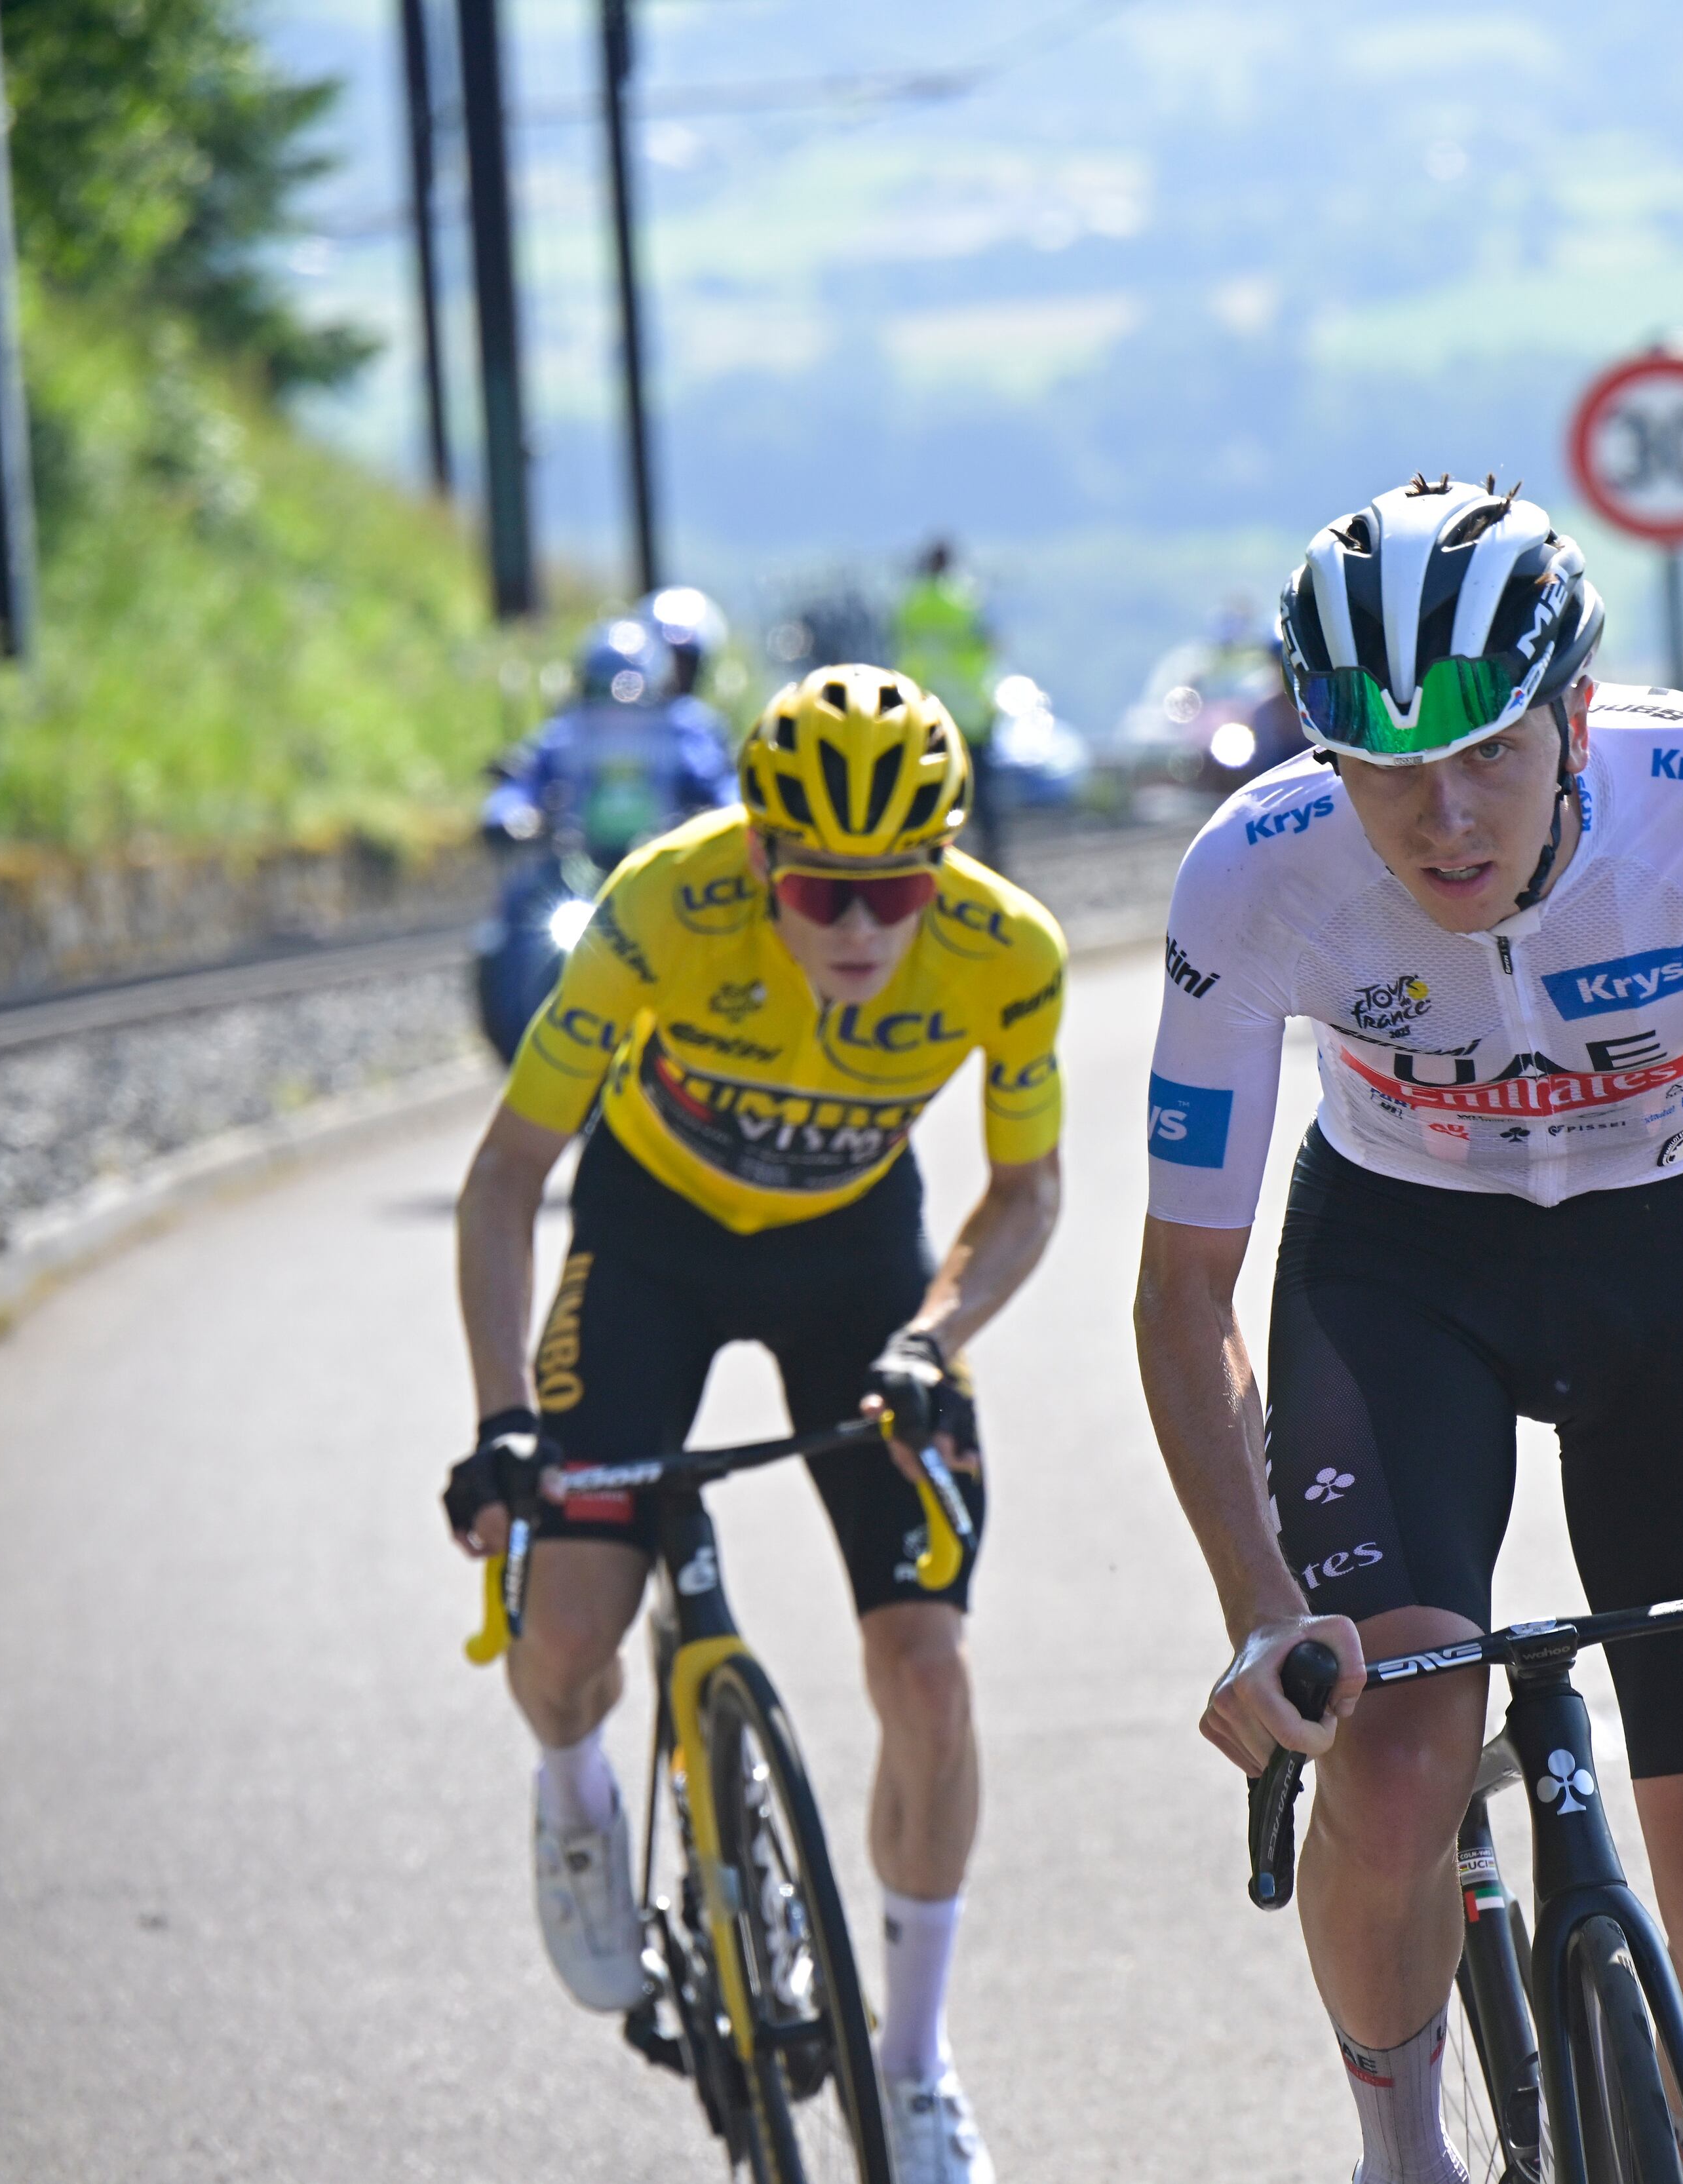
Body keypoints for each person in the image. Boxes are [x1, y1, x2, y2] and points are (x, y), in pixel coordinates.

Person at [1133, 477, 1683, 2184]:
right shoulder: (1254, 874)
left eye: (1490, 748)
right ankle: (1402, 2152)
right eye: (1386, 763)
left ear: (1576, 712)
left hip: (1678, 1242)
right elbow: (1185, 1285)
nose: (1444, 811)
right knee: (1395, 1763)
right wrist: (1264, 1610)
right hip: (1402, 1265)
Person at [446, 664, 1067, 2184]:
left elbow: (1030, 1187)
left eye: (896, 887)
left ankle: (913, 2067)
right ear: (758, 856)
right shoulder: (665, 905)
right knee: (570, 1634)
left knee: (926, 1670)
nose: (859, 926)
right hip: (650, 1242)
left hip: (855, 1266)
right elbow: (508, 1175)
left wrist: (937, 1337)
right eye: (822, 889)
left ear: (945, 867)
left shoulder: (1008, 952)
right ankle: (580, 1798)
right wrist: (502, 1424)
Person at [482, 603, 739, 863]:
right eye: (601, 692)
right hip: (574, 866)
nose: (616, 710)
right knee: (522, 898)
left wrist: (731, 813)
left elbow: (721, 783)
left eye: (633, 692)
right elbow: (524, 780)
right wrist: (508, 814)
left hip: (668, 868)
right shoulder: (567, 731)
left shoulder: (682, 729)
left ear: (658, 689)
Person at [894, 539, 1005, 870]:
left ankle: (929, 859)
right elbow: (990, 645)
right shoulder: (966, 598)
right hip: (971, 711)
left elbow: (900, 648)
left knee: (929, 793)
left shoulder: (910, 603)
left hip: (927, 712)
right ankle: (991, 860)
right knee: (982, 794)